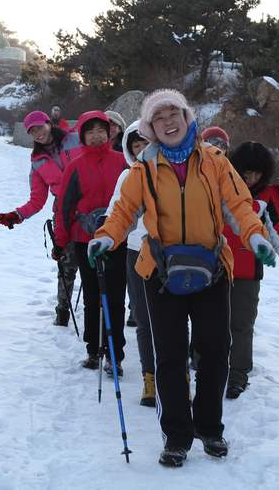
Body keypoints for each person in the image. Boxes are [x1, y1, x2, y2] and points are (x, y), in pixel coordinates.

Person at [90, 89, 279, 468]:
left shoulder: (214, 161)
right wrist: (105, 238)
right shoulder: (142, 169)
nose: (168, 121)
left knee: (214, 351)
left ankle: (209, 426)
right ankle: (177, 435)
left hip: (211, 270)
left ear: (187, 116)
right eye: (158, 117)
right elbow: (123, 212)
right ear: (150, 128)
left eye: (173, 113)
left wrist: (255, 235)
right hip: (160, 273)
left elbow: (239, 205)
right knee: (171, 356)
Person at [225, 141, 279, 399]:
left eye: (257, 173)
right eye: (246, 172)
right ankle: (204, 363)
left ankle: (237, 374)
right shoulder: (220, 186)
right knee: (211, 323)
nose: (251, 178)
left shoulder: (268, 196)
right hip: (214, 266)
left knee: (241, 324)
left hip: (248, 271)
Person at [52, 111, 129, 374]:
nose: (96, 136)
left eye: (101, 130)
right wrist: (61, 242)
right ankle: (92, 350)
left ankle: (114, 354)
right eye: (90, 131)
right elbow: (65, 206)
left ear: (110, 133)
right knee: (93, 296)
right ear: (82, 135)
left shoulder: (122, 163)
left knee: (116, 296)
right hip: (85, 239)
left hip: (118, 239)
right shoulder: (75, 165)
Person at [0, 110, 81, 326]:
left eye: (39, 127)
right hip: (64, 214)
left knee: (93, 265)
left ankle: (98, 312)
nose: (37, 133)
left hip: (91, 207)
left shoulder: (75, 139)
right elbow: (37, 200)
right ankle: (62, 310)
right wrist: (16, 216)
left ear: (48, 123)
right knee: (66, 265)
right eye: (32, 131)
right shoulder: (37, 161)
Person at [105, 121, 156, 406]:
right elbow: (117, 209)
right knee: (144, 318)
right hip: (136, 252)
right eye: (136, 147)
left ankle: (177, 377)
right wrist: (103, 230)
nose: (141, 151)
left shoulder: (173, 172)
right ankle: (150, 377)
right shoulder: (127, 177)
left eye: (146, 144)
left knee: (174, 318)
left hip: (170, 251)